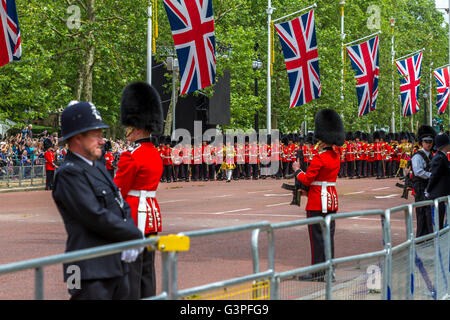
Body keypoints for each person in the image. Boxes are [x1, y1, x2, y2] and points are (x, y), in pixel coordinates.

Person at [52, 101, 143, 300]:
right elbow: (93, 215)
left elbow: (120, 201)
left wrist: (129, 230)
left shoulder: (96, 166)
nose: (102, 141)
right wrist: (132, 234)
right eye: (97, 135)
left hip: (113, 264)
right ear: (78, 137)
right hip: (87, 269)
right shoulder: (69, 173)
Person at [113, 82, 164, 299]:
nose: (128, 132)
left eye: (131, 128)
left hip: (134, 216)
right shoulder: (155, 154)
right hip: (152, 216)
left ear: (139, 128)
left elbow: (118, 190)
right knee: (147, 272)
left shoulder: (131, 156)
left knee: (131, 272)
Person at [292, 108, 345, 282]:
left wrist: (297, 170)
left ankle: (317, 273)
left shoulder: (319, 158)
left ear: (322, 141)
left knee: (316, 239)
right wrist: (307, 191)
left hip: (316, 203)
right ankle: (330, 271)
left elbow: (307, 179)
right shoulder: (335, 156)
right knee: (328, 238)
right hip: (330, 200)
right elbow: (322, 180)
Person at [411, 125, 436, 237]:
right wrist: (432, 175)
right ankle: (420, 238)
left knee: (428, 213)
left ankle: (428, 236)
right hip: (420, 187)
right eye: (426, 141)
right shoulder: (417, 156)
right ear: (422, 142)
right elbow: (418, 172)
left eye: (430, 141)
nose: (429, 144)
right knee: (421, 213)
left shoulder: (431, 155)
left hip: (428, 186)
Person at [426, 133, 450, 230]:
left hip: (442, 192)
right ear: (445, 146)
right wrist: (428, 189)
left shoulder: (441, 156)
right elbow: (434, 176)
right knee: (438, 220)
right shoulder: (439, 158)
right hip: (438, 193)